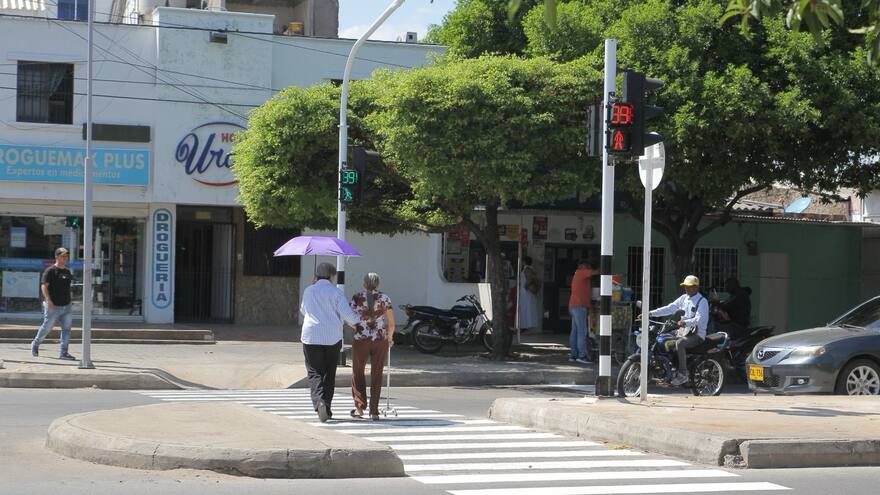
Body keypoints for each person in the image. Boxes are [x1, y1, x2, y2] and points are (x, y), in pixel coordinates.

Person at [299, 262, 363, 422]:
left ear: (317, 276)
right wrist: (357, 323)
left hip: (311, 335)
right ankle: (326, 405)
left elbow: (303, 310)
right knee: (329, 373)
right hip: (332, 337)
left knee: (314, 372)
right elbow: (347, 314)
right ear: (332, 276)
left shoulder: (308, 290)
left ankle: (319, 402)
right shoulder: (336, 292)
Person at [349, 273, 395, 420]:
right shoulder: (385, 298)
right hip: (380, 340)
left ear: (364, 283)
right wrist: (390, 337)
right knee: (377, 373)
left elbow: (350, 318)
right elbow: (391, 322)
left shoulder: (356, 298)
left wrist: (356, 329)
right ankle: (374, 411)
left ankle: (360, 408)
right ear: (378, 284)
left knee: (358, 372)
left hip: (361, 339)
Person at [649, 275, 709, 386]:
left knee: (680, 343)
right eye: (685, 286)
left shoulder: (702, 301)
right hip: (682, 332)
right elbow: (670, 308)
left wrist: (686, 322)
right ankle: (668, 368)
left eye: (689, 286)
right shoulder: (683, 298)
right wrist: (651, 313)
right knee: (662, 338)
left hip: (697, 335)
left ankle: (683, 374)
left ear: (696, 287)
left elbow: (701, 318)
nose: (687, 288)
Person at [31, 247, 76, 360]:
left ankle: (63, 353)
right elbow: (43, 286)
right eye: (62, 256)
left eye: (66, 256)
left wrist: (70, 300)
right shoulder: (50, 270)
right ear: (56, 257)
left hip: (66, 306)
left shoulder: (67, 271)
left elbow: (68, 287)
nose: (65, 258)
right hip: (53, 306)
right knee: (47, 327)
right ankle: (35, 344)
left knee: (66, 329)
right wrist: (48, 300)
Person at [568, 259, 593, 364]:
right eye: (587, 265)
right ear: (582, 266)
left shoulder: (578, 275)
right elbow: (596, 272)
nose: (588, 268)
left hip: (574, 305)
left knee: (575, 331)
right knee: (582, 331)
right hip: (579, 306)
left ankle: (574, 355)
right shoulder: (581, 272)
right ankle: (582, 356)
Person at [518, 256, 540, 331]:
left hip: (526, 292)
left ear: (524, 262)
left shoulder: (527, 269)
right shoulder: (530, 269)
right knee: (527, 308)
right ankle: (525, 325)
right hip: (527, 292)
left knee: (526, 308)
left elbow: (529, 278)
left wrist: (525, 286)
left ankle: (526, 325)